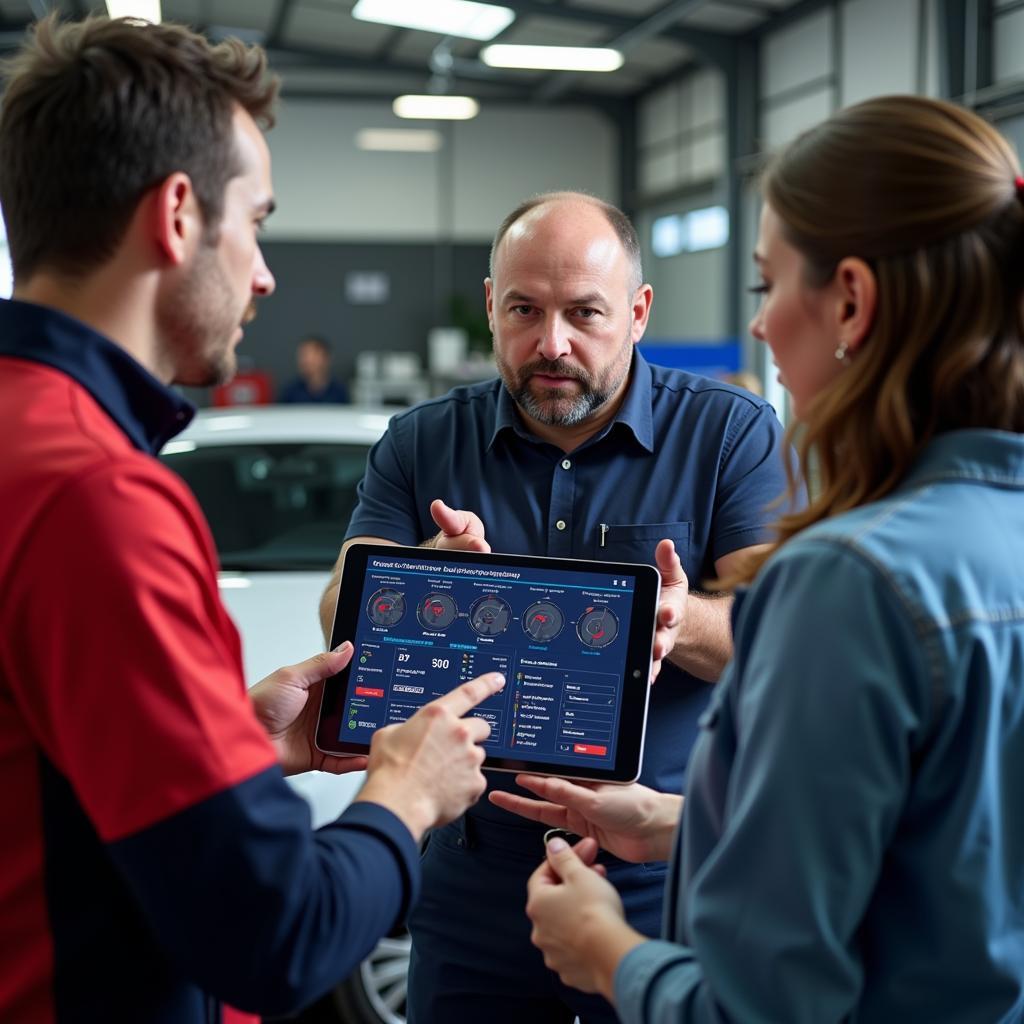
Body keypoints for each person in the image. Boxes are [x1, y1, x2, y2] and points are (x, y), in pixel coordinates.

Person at [0, 16, 504, 1023]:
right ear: (178, 213)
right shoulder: (101, 495)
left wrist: (230, 738)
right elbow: (279, 937)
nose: (266, 273)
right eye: (258, 220)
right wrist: (406, 792)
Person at [496, 95, 1024, 1023]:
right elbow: (951, 855)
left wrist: (609, 953)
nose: (760, 329)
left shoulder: (850, 581)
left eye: (765, 286)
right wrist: (677, 824)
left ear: (850, 300)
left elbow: (762, 1009)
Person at [320, 191, 792, 1023]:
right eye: (524, 311)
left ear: (639, 312)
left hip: (665, 868)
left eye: (585, 313)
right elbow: (341, 608)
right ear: (493, 304)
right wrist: (420, 579)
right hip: (470, 877)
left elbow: (777, 634)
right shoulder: (422, 440)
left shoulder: (730, 434)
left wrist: (678, 621)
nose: (552, 344)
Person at [278, 333, 349, 403]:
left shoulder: (339, 393)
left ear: (326, 358)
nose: (305, 361)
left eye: (312, 355)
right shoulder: (290, 392)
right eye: (302, 355)